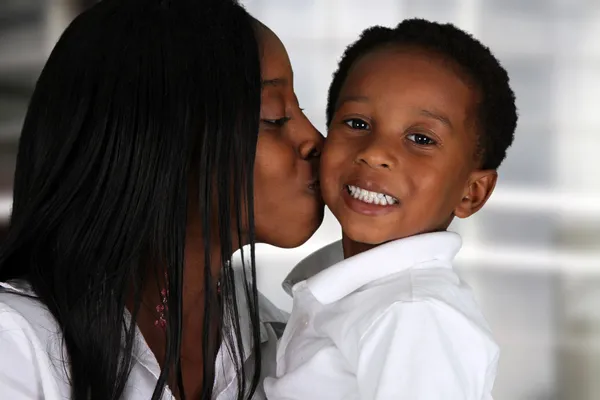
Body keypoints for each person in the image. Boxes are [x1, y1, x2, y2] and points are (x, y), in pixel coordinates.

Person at [0, 1, 324, 399]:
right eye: (273, 117)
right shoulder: (15, 342)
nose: (316, 140)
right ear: (161, 141)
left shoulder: (287, 347)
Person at [264, 18, 518, 399]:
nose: (376, 153)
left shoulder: (415, 314)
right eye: (357, 123)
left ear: (472, 193)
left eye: (421, 138)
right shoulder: (370, 298)